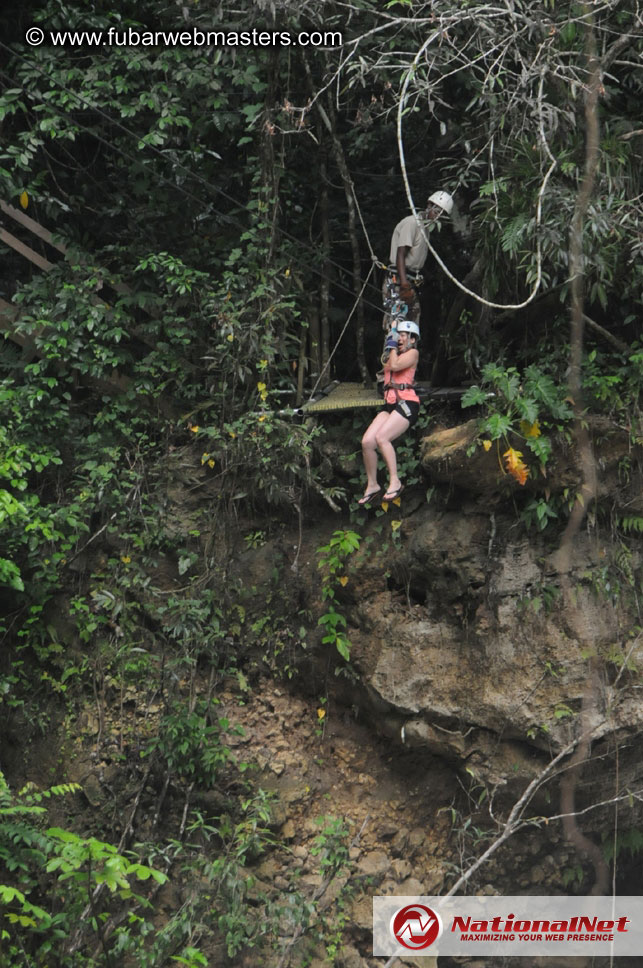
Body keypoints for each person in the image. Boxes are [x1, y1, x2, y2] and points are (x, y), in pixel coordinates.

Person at [358, 320, 421, 505]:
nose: (399, 339)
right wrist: (391, 332)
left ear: (412, 339)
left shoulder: (413, 353)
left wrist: (392, 341)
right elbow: (387, 362)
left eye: (403, 335)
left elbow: (395, 366)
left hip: (407, 403)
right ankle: (373, 485)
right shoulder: (391, 354)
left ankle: (395, 481)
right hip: (391, 405)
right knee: (367, 441)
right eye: (398, 335)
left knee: (382, 438)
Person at [382, 190, 454, 334]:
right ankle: (391, 356)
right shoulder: (412, 223)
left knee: (411, 329)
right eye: (437, 210)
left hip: (410, 281)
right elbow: (400, 254)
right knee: (395, 326)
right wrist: (403, 285)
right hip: (398, 282)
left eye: (442, 214)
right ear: (429, 205)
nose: (438, 215)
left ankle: (408, 356)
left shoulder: (426, 228)